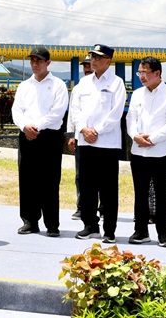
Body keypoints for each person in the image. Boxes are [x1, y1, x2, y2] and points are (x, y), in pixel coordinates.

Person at [70, 44, 126, 243]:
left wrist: (98, 131)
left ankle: (109, 230)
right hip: (86, 143)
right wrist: (84, 129)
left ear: (108, 61)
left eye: (98, 57)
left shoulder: (117, 83)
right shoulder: (83, 84)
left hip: (107, 144)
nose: (93, 60)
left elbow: (116, 112)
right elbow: (75, 110)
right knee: (87, 187)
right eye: (92, 56)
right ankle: (90, 225)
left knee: (108, 189)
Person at [11, 46, 69, 237]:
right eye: (32, 60)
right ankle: (30, 221)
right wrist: (25, 126)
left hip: (49, 137)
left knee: (50, 180)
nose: (35, 64)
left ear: (48, 62)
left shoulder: (59, 85)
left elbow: (57, 113)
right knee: (27, 179)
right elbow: (16, 111)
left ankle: (52, 224)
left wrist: (36, 126)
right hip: (27, 135)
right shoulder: (24, 85)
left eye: (39, 61)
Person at [126, 56, 166, 248]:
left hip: (161, 152)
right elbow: (130, 120)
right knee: (140, 193)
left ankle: (163, 233)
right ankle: (141, 230)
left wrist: (152, 139)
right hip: (138, 151)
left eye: (144, 72)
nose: (141, 76)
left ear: (157, 73)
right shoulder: (137, 94)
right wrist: (135, 136)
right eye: (139, 72)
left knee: (162, 193)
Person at [67, 55, 93, 220]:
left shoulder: (108, 86)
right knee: (80, 175)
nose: (88, 68)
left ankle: (102, 207)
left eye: (90, 65)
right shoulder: (78, 87)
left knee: (101, 176)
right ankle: (81, 206)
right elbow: (72, 112)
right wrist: (71, 135)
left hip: (100, 137)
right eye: (85, 66)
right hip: (81, 136)